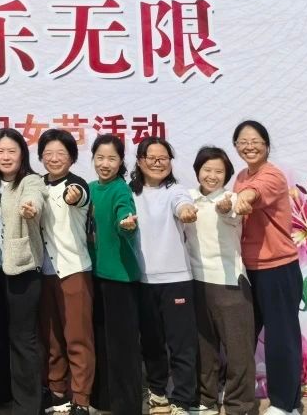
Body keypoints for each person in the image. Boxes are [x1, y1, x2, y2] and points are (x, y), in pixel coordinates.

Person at [230, 120, 302, 415]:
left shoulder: (272, 175)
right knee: (244, 334)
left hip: (278, 268)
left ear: (267, 146)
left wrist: (244, 198)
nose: (249, 146)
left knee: (281, 338)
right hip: (250, 269)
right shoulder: (240, 176)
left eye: (255, 141)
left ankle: (286, 404)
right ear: (236, 147)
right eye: (243, 142)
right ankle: (238, 394)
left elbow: (255, 193)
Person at [184, 146, 255, 415]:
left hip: (230, 284)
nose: (212, 176)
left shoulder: (231, 198)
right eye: (207, 170)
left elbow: (231, 210)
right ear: (197, 171)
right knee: (204, 348)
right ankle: (206, 400)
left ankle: (240, 406)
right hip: (196, 281)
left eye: (219, 171)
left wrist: (226, 207)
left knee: (238, 351)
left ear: (226, 175)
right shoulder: (188, 198)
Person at [131, 137, 199, 415]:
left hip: (176, 279)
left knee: (181, 344)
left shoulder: (176, 191)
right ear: (140, 161)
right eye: (152, 158)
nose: (158, 163)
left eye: (164, 158)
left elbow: (182, 204)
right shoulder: (129, 193)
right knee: (151, 342)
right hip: (142, 280)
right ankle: (158, 392)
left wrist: (186, 211)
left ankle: (183, 400)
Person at [0, 129, 46, 415]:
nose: (6, 157)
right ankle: (1, 397)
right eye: (0, 151)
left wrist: (31, 208)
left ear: (22, 154)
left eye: (12, 151)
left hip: (22, 269)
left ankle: (27, 406)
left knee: (23, 340)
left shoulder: (30, 181)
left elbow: (36, 199)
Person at [36, 129, 95, 415]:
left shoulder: (76, 184)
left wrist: (74, 197)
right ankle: (57, 392)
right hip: (43, 273)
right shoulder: (36, 185)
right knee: (51, 339)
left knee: (77, 338)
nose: (54, 158)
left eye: (61, 153)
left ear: (72, 157)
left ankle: (81, 399)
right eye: (48, 153)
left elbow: (79, 197)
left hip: (74, 271)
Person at [85, 135, 141, 415]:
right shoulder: (90, 188)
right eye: (100, 158)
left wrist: (126, 223)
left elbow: (124, 213)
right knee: (100, 341)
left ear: (121, 162)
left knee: (122, 347)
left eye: (112, 158)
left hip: (120, 278)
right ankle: (103, 400)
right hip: (94, 274)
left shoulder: (120, 189)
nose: (105, 164)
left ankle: (126, 406)